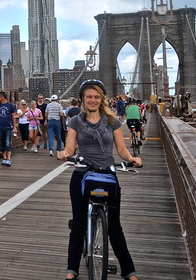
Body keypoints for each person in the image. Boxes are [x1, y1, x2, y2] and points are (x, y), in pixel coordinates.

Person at [57, 79, 142, 280]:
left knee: (114, 227)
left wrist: (132, 159)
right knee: (78, 225)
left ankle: (129, 271)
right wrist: (64, 154)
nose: (93, 100)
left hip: (107, 174)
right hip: (83, 173)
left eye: (96, 96)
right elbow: (70, 148)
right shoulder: (75, 121)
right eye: (89, 97)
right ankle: (72, 269)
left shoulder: (112, 121)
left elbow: (121, 149)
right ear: (83, 100)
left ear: (101, 99)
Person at [0, 91, 17, 166]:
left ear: (2, 97)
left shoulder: (10, 105)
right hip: (0, 127)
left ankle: (8, 158)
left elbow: (13, 116)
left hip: (8, 127)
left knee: (8, 142)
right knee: (1, 143)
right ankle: (4, 158)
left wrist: (14, 126)